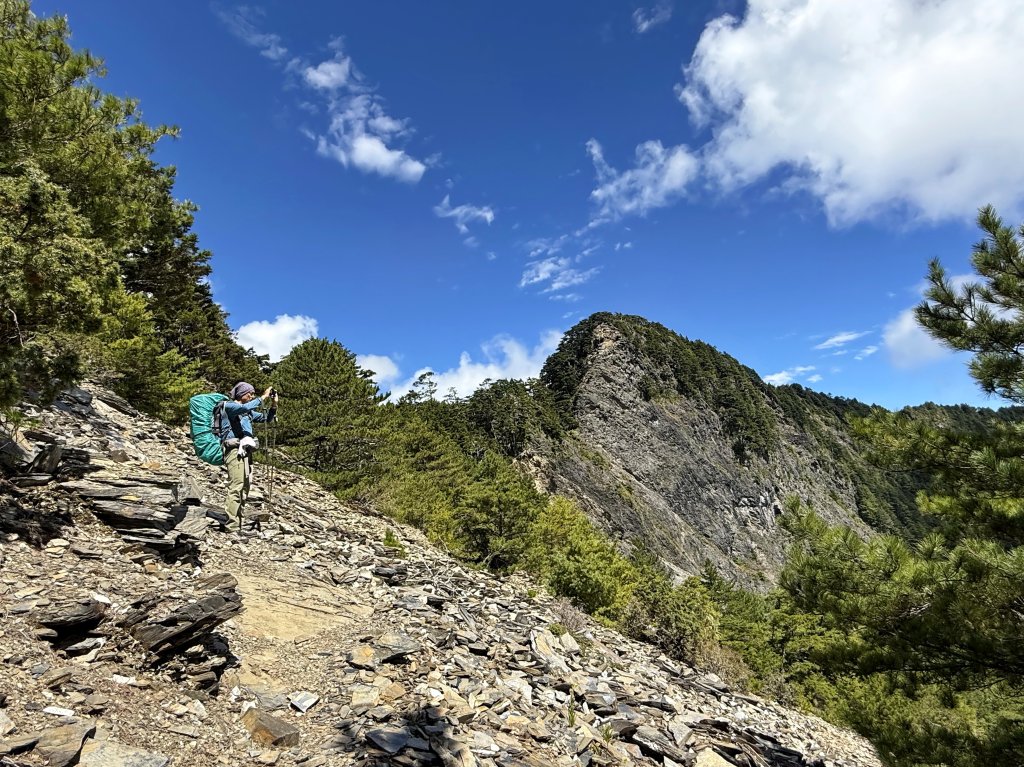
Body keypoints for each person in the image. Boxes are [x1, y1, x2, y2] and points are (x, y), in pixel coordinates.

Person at [221, 382, 277, 530]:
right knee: (236, 486)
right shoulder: (229, 406)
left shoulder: (247, 412)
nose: (251, 396)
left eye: (252, 394)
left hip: (245, 451)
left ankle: (237, 523)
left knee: (245, 487)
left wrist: (273, 405)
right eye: (249, 393)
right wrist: (263, 397)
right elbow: (245, 407)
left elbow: (267, 419)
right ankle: (231, 526)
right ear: (240, 394)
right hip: (234, 450)